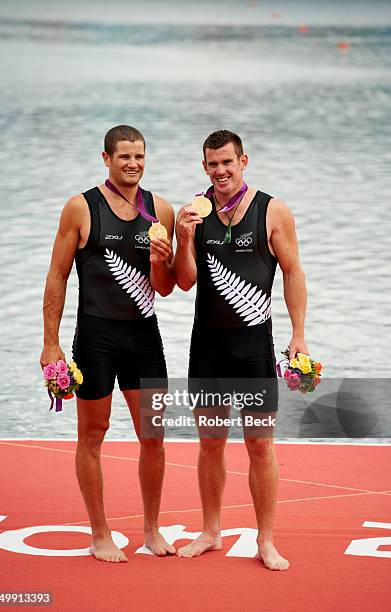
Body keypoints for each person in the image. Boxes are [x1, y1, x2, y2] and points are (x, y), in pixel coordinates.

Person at [172, 129, 309, 570]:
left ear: (244, 161)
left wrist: (299, 334)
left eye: (227, 162)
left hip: (253, 347)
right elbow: (186, 281)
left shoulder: (273, 211)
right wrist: (182, 237)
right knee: (210, 443)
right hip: (207, 346)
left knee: (260, 445)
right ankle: (210, 531)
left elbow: (292, 272)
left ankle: (265, 540)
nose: (220, 171)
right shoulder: (194, 213)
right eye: (212, 164)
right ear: (204, 167)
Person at [40, 125, 175, 562]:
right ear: (106, 158)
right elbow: (57, 276)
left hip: (145, 338)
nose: (132, 164)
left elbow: (166, 286)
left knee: (153, 435)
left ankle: (151, 530)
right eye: (123, 157)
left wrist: (163, 260)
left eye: (139, 156)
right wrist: (50, 344)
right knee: (92, 435)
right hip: (95, 337)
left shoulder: (162, 210)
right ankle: (100, 533)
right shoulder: (81, 208)